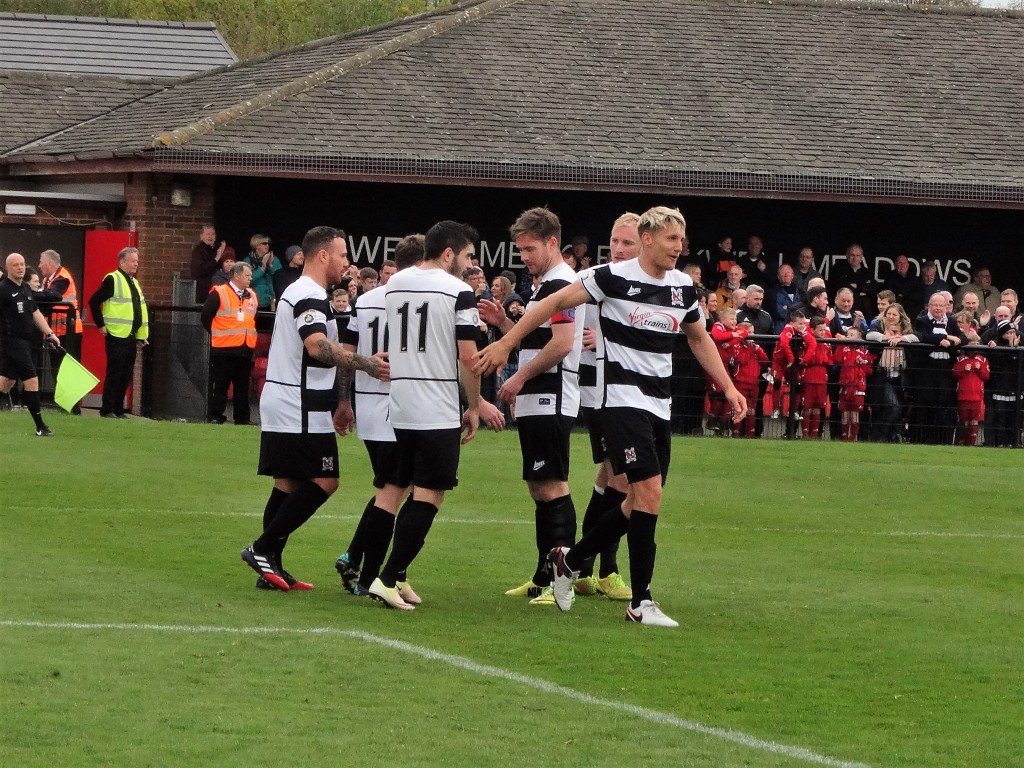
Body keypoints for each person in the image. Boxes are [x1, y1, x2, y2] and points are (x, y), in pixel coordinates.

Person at [476, 206, 745, 628]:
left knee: (639, 500)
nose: (680, 247)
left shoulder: (683, 289)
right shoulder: (609, 277)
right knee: (648, 493)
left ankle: (571, 561)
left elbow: (699, 338)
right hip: (619, 400)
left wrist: (728, 387)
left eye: (682, 239)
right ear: (649, 238)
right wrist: (508, 342)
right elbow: (552, 303)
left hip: (659, 404)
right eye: (672, 239)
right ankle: (642, 603)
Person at [239, 225, 388, 593]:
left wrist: (340, 401)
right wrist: (367, 363)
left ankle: (269, 568)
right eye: (342, 255)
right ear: (323, 255)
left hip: (293, 400)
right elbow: (317, 348)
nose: (346, 263)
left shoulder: (305, 292)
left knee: (288, 484)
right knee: (325, 480)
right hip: (296, 403)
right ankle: (261, 549)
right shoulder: (308, 294)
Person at [365, 220, 485, 610]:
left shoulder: (396, 282)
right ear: (448, 253)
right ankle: (387, 576)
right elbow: (469, 357)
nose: (470, 265)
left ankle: (390, 576)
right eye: (467, 256)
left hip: (399, 402)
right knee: (430, 494)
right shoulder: (459, 291)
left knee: (393, 489)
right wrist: (473, 404)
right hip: (436, 404)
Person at [476, 207, 584, 607]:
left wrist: (519, 378)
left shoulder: (562, 283)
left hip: (551, 393)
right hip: (536, 394)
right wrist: (505, 325)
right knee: (539, 488)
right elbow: (538, 340)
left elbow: (561, 343)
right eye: (520, 249)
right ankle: (543, 575)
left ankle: (563, 581)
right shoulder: (543, 285)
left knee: (554, 484)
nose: (524, 257)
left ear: (552, 243)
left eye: (530, 249)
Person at [573, 213, 639, 601]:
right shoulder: (598, 278)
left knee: (607, 478)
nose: (617, 249)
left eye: (626, 243)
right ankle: (605, 569)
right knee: (625, 481)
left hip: (626, 394)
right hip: (604, 394)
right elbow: (566, 312)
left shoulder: (647, 283)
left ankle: (584, 569)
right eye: (614, 241)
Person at [0, 253, 61, 435]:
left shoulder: (26, 289)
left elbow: (35, 313)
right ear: (8, 268)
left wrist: (50, 333)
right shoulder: (2, 289)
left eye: (22, 264)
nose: (19, 268)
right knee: (32, 380)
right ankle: (41, 426)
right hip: (12, 342)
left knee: (5, 384)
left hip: (25, 342)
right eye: (15, 265)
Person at [87, 247, 149, 419]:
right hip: (117, 334)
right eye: (132, 261)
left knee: (126, 373)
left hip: (130, 335)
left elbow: (139, 311)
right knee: (115, 372)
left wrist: (141, 335)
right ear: (122, 261)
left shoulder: (134, 282)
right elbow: (94, 301)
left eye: (137, 261)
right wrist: (100, 324)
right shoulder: (113, 279)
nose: (136, 264)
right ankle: (107, 409)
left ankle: (118, 409)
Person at [200, 261, 257, 425]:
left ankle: (242, 418)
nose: (250, 278)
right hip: (224, 349)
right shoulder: (220, 292)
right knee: (221, 386)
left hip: (245, 348)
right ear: (237, 275)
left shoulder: (251, 294)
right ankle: (216, 416)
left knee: (242, 386)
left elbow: (252, 318)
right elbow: (205, 316)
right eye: (247, 275)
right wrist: (217, 333)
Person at [36, 249, 83, 414]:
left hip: (68, 332)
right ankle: (66, 406)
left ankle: (72, 407)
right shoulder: (49, 279)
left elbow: (52, 296)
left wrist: (31, 295)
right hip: (57, 331)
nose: (39, 265)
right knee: (57, 369)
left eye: (41, 262)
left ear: (49, 263)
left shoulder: (62, 278)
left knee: (65, 369)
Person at [866, 303, 917, 443]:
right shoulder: (878, 325)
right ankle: (879, 437)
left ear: (900, 316)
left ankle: (890, 437)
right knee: (893, 407)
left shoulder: (905, 329)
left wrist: (901, 339)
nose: (891, 317)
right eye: (889, 314)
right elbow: (869, 335)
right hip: (883, 375)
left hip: (899, 376)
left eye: (894, 314)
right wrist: (886, 338)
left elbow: (916, 337)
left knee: (897, 409)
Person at [834, 326, 875, 441]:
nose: (848, 337)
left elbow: (870, 370)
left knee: (855, 413)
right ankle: (844, 437)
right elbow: (836, 359)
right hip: (845, 386)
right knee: (845, 413)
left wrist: (862, 363)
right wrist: (840, 345)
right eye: (848, 334)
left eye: (852, 335)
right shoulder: (844, 348)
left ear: (859, 337)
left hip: (858, 387)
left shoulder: (864, 352)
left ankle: (853, 437)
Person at [798, 317, 832, 439]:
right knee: (807, 407)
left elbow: (829, 359)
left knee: (818, 408)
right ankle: (805, 434)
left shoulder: (827, 341)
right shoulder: (807, 341)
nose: (823, 332)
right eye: (820, 330)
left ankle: (814, 434)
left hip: (822, 378)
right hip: (809, 377)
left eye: (824, 329)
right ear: (812, 330)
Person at [952, 343, 989, 446]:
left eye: (977, 343)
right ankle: (963, 442)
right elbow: (954, 374)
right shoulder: (960, 359)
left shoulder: (983, 360)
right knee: (965, 421)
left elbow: (986, 376)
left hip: (977, 396)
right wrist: (964, 370)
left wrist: (979, 369)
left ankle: (971, 444)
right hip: (963, 395)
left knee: (974, 421)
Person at [828, 244, 876, 318]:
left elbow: (872, 289)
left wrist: (856, 287)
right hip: (844, 309)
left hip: (864, 311)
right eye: (852, 255)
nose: (855, 258)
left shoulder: (866, 272)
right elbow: (841, 287)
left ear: (862, 257)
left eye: (857, 255)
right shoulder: (838, 268)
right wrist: (861, 291)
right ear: (847, 256)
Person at [190, 224, 227, 303]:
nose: (210, 236)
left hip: (217, 289)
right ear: (201, 236)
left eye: (213, 234)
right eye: (208, 234)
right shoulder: (198, 251)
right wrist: (216, 258)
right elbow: (201, 270)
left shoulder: (217, 249)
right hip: (203, 291)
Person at [244, 234, 281, 312]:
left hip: (272, 301)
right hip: (255, 301)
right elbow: (247, 280)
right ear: (257, 245)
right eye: (264, 243)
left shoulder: (274, 259)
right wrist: (262, 268)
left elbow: (280, 278)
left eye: (268, 243)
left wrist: (270, 265)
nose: (267, 245)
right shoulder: (248, 261)